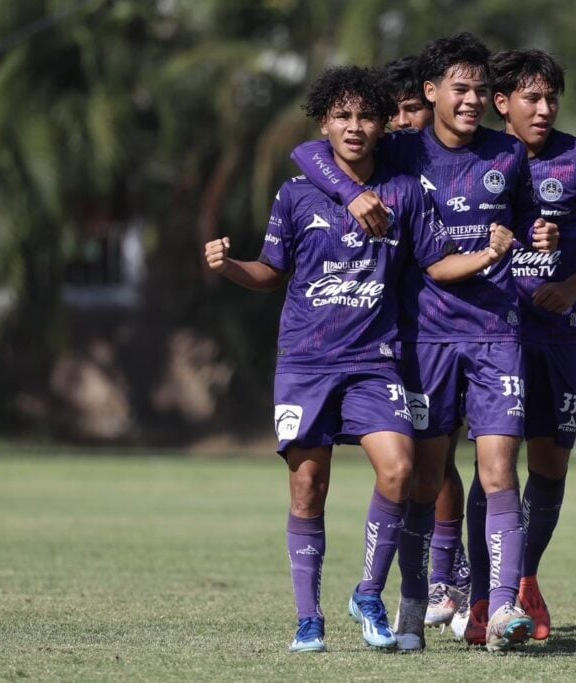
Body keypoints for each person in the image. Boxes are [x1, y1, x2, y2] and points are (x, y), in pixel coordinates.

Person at [204, 65, 513, 654]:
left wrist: (487, 256)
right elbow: (271, 274)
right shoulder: (297, 193)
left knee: (399, 469)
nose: (354, 126)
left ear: (382, 125)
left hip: (376, 361)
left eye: (365, 116)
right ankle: (308, 619)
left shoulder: (405, 192)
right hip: (306, 363)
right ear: (325, 123)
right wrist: (229, 267)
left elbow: (436, 265)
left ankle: (369, 591)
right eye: (342, 116)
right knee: (308, 487)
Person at [290, 33, 559, 653]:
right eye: (459, 89)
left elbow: (518, 230)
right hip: (422, 339)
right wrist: (354, 193)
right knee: (423, 480)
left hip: (496, 334)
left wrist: (536, 242)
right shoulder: (401, 151)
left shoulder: (509, 155)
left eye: (479, 91)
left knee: (499, 473)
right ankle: (412, 609)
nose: (473, 101)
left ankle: (505, 608)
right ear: (431, 93)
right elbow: (312, 152)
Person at [478, 48, 576, 642]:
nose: (544, 109)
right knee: (494, 465)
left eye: (551, 99)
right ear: (503, 104)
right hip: (494, 335)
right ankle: (477, 590)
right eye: (531, 98)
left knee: (548, 464)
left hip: (558, 338)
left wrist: (573, 286)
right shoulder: (482, 158)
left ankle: (523, 579)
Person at [381, 51, 475, 637]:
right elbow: (312, 157)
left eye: (411, 109)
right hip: (382, 326)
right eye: (392, 114)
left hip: (444, 328)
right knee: (414, 459)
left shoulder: (452, 161)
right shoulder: (381, 163)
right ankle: (436, 581)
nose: (402, 122)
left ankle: (449, 577)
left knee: (435, 457)